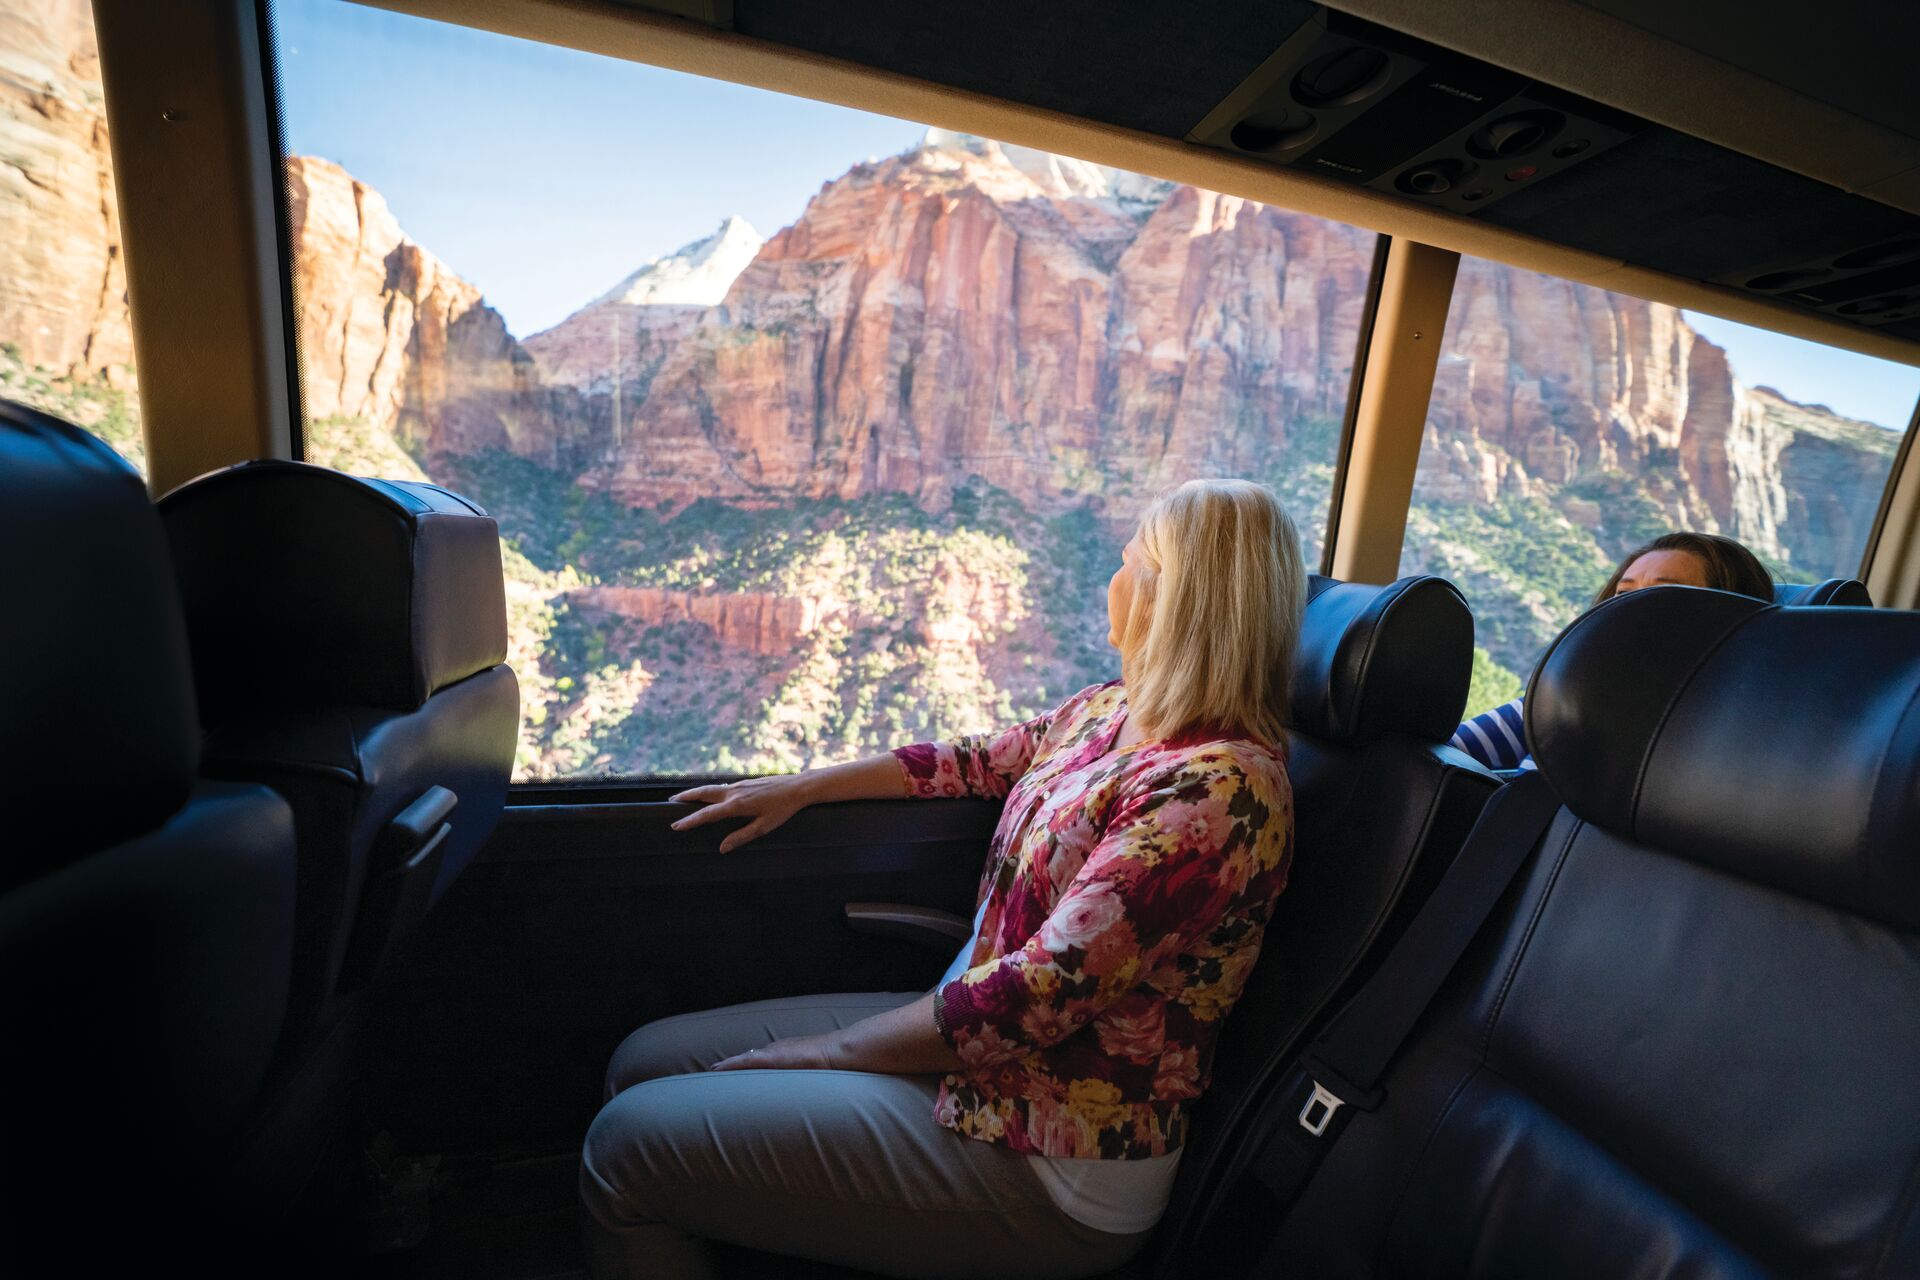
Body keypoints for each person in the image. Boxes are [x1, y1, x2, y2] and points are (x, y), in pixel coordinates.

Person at [580, 479, 1308, 1280]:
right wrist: (804, 787)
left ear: (1180, 601)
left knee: (627, 1151)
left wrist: (830, 1055)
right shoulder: (1112, 713)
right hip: (976, 1065)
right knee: (641, 1061)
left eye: (1134, 562)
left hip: (1052, 1150)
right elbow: (971, 763)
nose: (1115, 577)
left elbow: (1039, 995)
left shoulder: (1219, 792)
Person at [1450, 530, 1774, 772]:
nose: (1629, 608)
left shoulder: (1727, 735)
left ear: (1728, 615)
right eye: (1623, 592)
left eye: (1663, 594)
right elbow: (1449, 756)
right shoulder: (1563, 699)